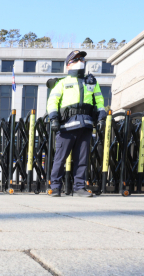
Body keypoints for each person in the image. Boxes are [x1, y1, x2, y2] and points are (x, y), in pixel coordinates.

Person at [46, 50, 107, 197]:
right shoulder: (61, 83)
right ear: (68, 65)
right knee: (60, 159)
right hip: (66, 126)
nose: (80, 61)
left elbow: (99, 101)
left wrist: (101, 118)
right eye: (76, 59)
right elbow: (52, 102)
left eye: (82, 59)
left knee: (82, 159)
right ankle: (55, 187)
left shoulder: (91, 82)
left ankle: (79, 187)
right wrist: (53, 118)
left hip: (85, 125)